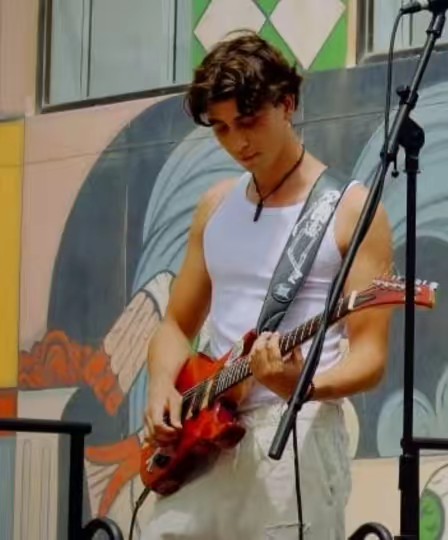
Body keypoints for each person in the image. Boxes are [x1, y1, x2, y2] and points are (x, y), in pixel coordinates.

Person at [141, 30, 393, 540]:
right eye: (221, 128)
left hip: (295, 429)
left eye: (249, 120)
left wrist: (303, 385)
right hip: (205, 433)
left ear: (288, 103)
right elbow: (175, 325)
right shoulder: (214, 205)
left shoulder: (350, 209)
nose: (238, 142)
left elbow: (370, 356)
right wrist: (161, 385)